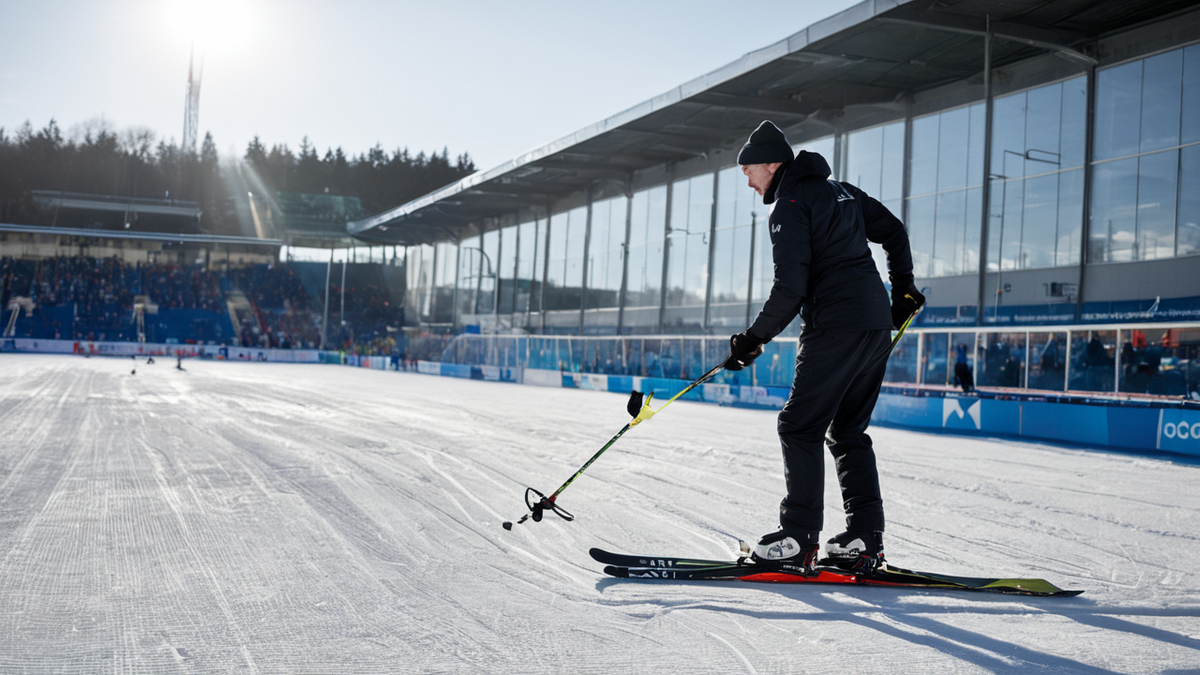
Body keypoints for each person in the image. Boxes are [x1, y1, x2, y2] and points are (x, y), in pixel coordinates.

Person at [724, 120, 924, 573]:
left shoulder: (790, 205)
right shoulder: (843, 192)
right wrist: (903, 289)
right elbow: (893, 231)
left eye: (748, 168)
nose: (745, 176)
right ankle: (865, 539)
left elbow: (790, 287)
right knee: (848, 432)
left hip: (836, 324)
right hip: (875, 325)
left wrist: (752, 340)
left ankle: (797, 539)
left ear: (773, 164)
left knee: (799, 426)